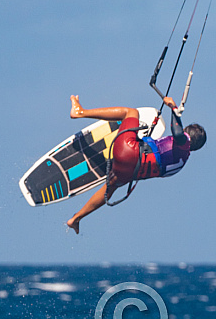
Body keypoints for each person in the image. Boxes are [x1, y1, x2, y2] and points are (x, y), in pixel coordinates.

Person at [66, 95, 207, 234]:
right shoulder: (181, 164)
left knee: (132, 113)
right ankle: (76, 218)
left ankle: (80, 112)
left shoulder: (184, 142)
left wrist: (173, 108)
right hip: (129, 173)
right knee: (112, 186)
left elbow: (177, 134)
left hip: (127, 151)